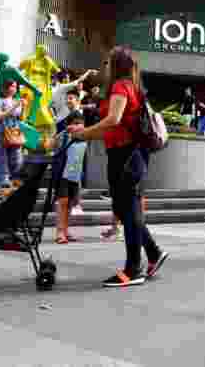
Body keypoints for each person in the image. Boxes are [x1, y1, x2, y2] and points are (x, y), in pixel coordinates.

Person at [75, 46, 168, 287]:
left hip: (126, 155)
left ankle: (133, 268)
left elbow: (114, 120)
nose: (104, 67)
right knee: (126, 208)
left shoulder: (120, 86)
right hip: (128, 153)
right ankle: (153, 253)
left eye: (107, 62)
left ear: (116, 65)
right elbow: (116, 122)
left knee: (128, 208)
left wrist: (84, 133)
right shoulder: (131, 86)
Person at [45, 111, 87, 244]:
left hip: (75, 176)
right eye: (75, 123)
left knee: (69, 204)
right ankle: (59, 232)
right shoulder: (64, 136)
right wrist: (61, 133)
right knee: (62, 202)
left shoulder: (86, 136)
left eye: (80, 123)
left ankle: (66, 230)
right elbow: (49, 146)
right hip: (63, 174)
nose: (78, 126)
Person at [0, 80, 25, 188]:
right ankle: (1, 182)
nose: (14, 88)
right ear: (5, 88)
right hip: (2, 132)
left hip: (14, 133)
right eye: (11, 86)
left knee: (17, 159)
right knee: (1, 158)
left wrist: (23, 107)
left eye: (15, 86)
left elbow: (21, 118)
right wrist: (14, 106)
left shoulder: (16, 101)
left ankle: (14, 179)